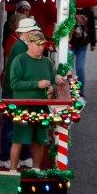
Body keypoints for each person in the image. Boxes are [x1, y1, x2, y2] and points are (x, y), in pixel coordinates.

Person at [8, 30, 62, 170]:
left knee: (40, 141)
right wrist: (37, 84)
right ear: (29, 44)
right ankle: (12, 171)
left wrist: (52, 88)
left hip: (42, 108)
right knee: (18, 140)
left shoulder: (47, 62)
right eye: (38, 45)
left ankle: (36, 170)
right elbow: (14, 84)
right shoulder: (19, 60)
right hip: (23, 108)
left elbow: (52, 81)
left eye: (42, 45)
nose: (41, 48)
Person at [0, 19, 43, 169]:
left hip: (19, 93)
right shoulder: (20, 48)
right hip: (13, 93)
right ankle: (5, 157)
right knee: (12, 126)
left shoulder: (22, 45)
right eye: (32, 31)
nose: (35, 33)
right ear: (25, 33)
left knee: (22, 124)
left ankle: (23, 156)